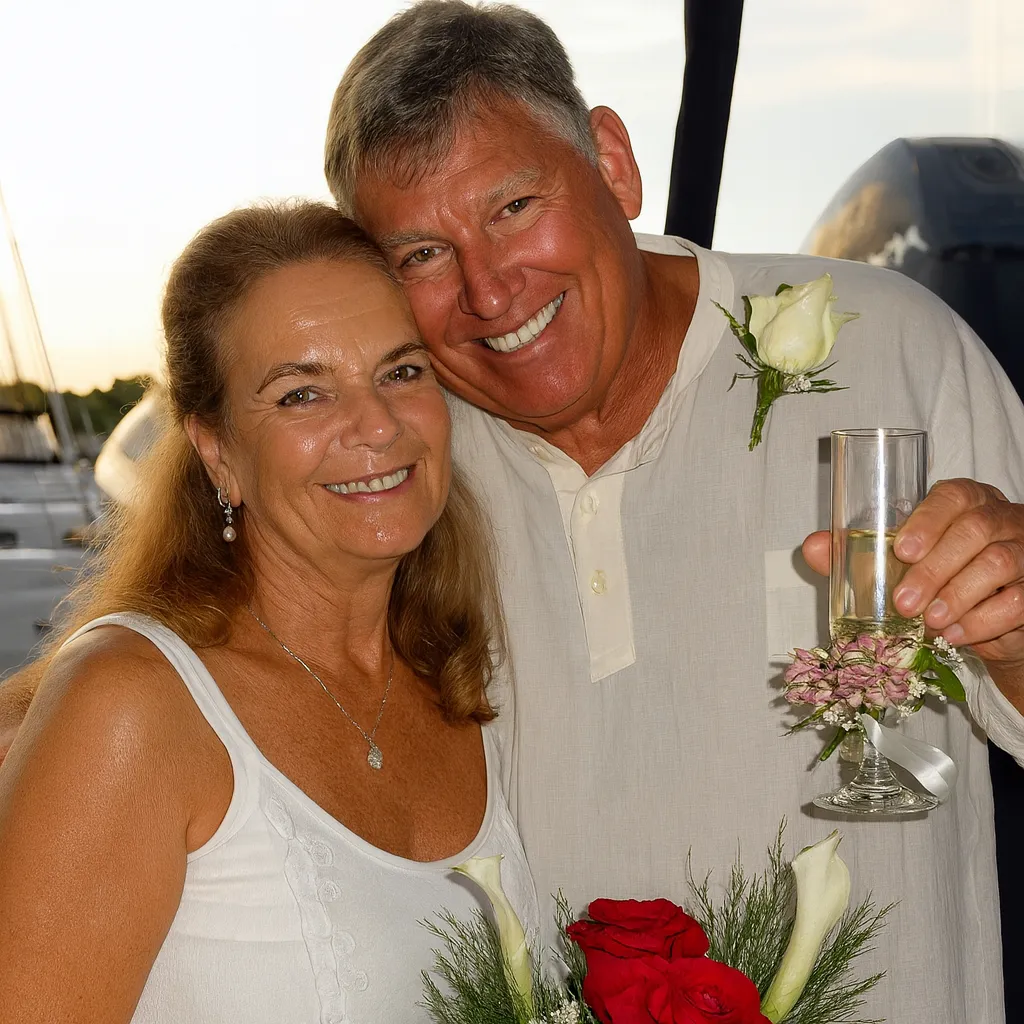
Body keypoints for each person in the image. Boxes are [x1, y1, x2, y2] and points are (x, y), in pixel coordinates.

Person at [320, 3, 1024, 1023]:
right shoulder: (400, 463)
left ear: (611, 163)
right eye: (420, 255)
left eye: (514, 206)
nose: (486, 290)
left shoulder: (894, 350)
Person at [0, 200, 537, 1023]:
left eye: (400, 371)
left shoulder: (464, 679)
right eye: (301, 395)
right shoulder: (132, 707)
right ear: (217, 451)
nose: (377, 425)